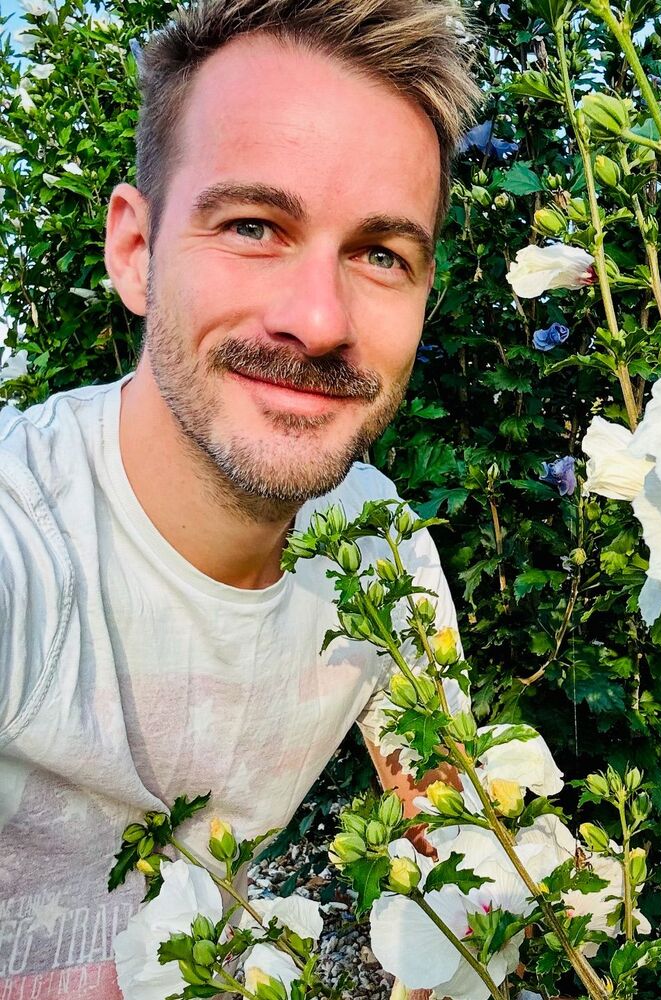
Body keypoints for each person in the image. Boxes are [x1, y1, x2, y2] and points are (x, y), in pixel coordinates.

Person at [0, 1, 480, 996]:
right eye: (254, 225)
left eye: (380, 252)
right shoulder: (23, 536)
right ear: (135, 251)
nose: (318, 319)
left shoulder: (379, 541)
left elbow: (462, 844)